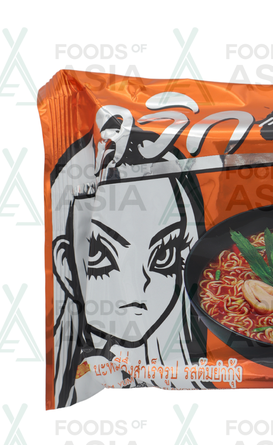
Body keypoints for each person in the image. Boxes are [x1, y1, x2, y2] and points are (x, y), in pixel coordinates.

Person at [50, 109, 208, 408]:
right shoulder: (74, 378)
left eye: (164, 255)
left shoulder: (199, 363)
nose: (140, 283)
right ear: (66, 264)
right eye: (101, 255)